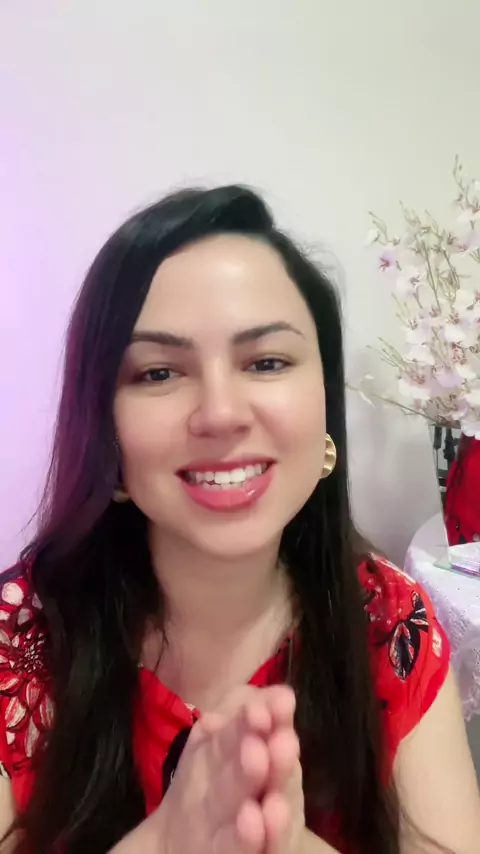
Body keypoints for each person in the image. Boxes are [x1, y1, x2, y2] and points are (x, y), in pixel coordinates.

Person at [0, 186, 478, 854]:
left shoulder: (391, 626)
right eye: (159, 373)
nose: (221, 413)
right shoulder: (19, 643)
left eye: (267, 362)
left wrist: (289, 844)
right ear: (104, 429)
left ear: (324, 406)